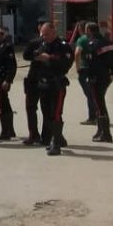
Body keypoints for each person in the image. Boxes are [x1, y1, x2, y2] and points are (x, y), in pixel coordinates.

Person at [32, 22, 74, 155]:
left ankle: (56, 143)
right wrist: (37, 56)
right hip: (44, 84)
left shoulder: (62, 46)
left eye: (47, 34)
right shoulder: (44, 44)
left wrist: (49, 58)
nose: (44, 37)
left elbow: (66, 63)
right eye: (43, 35)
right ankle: (56, 138)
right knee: (47, 113)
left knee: (56, 114)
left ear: (54, 32)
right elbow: (33, 55)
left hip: (57, 84)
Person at [84, 23, 113, 143]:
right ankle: (101, 131)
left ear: (89, 30)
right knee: (100, 103)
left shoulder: (93, 44)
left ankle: (106, 134)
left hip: (96, 78)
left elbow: (91, 62)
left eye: (86, 31)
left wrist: (89, 76)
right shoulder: (108, 42)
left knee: (99, 105)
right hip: (106, 76)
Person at [0, 25, 18, 140]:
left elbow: (12, 66)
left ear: (6, 35)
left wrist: (8, 80)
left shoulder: (7, 47)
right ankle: (9, 130)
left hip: (3, 80)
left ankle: (6, 132)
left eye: (1, 33)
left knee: (2, 104)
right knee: (3, 103)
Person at [21, 28, 47, 146]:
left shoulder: (55, 44)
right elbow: (25, 55)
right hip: (33, 79)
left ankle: (47, 136)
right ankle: (33, 134)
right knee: (31, 108)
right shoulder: (34, 43)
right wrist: (36, 55)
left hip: (47, 79)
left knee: (47, 109)